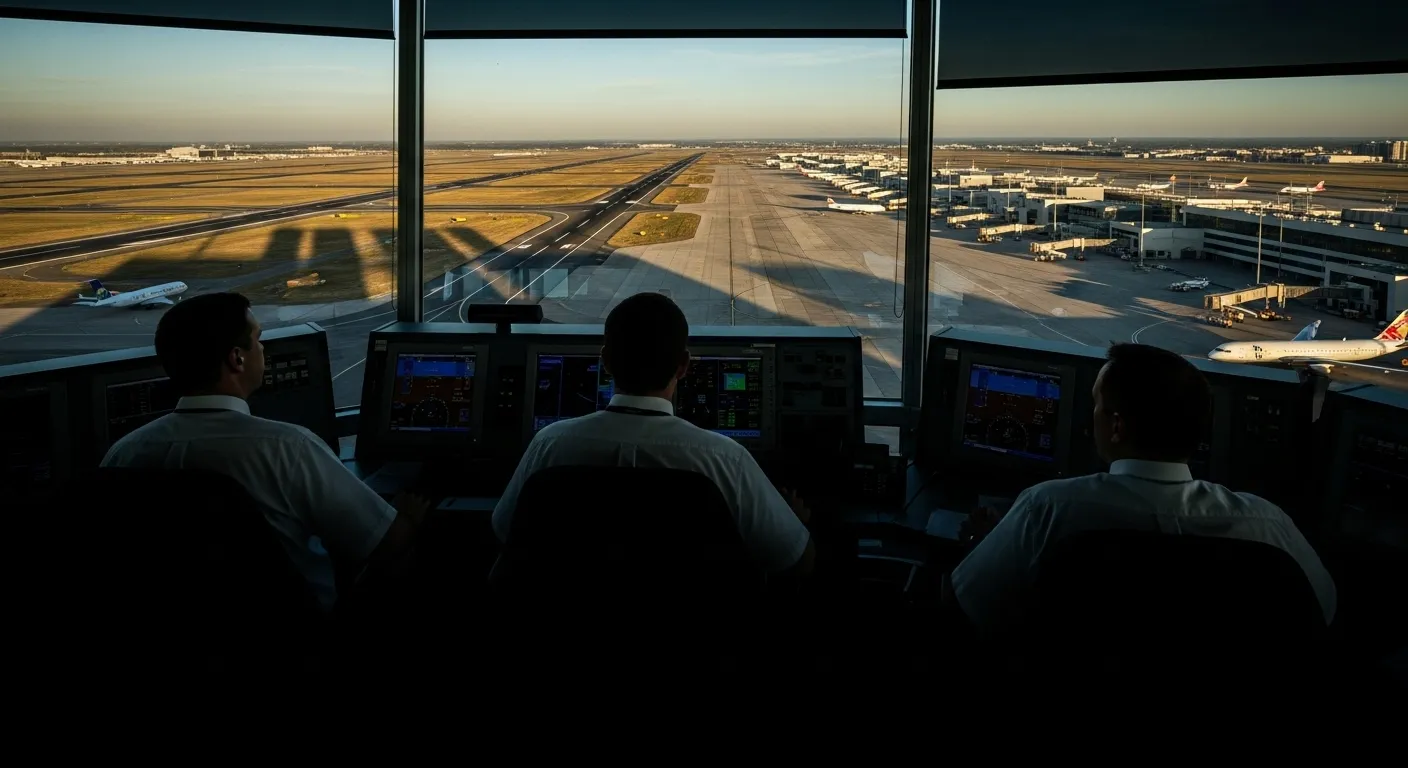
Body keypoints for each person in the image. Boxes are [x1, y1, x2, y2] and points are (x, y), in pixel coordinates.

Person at [944, 342, 1336, 634]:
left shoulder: (1046, 509)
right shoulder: (1268, 525)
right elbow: (1324, 612)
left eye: (1097, 404)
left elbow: (966, 606)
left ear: (1115, 427)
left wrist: (980, 541)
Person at [102, 292, 424, 612]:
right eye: (257, 339)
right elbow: (388, 541)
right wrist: (407, 514)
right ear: (236, 359)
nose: (263, 348)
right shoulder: (288, 449)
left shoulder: (122, 455)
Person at [493, 292, 815, 577]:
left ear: (605, 362)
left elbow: (504, 532)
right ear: (684, 366)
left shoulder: (548, 445)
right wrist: (794, 519)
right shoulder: (726, 460)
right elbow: (798, 561)